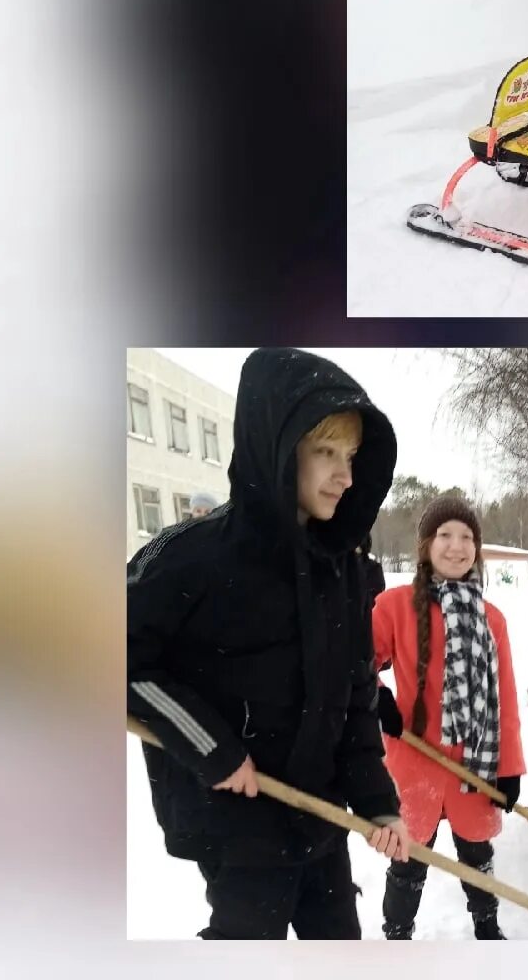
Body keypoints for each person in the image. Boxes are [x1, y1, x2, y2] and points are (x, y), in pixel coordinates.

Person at [127, 349, 409, 940]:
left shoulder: (346, 569)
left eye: (352, 456)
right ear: (277, 448)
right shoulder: (194, 557)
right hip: (238, 826)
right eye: (326, 452)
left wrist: (377, 802)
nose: (346, 476)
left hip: (319, 820)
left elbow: (354, 695)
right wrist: (211, 747)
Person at [372, 493, 524, 941]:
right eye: (444, 535)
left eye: (466, 537)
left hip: (471, 765)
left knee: (477, 855)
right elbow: (351, 660)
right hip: (414, 758)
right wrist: (376, 695)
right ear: (425, 545)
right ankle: (397, 937)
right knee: (408, 857)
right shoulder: (395, 605)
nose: (456, 546)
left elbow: (506, 699)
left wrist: (509, 770)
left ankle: (487, 932)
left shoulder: (491, 618)